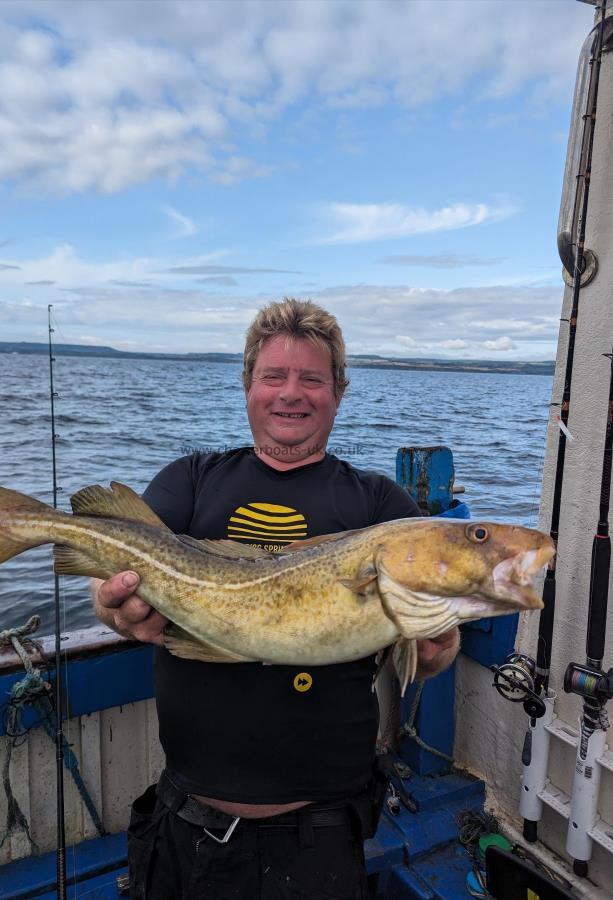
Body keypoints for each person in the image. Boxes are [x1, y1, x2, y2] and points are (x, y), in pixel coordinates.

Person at [92, 298, 460, 899]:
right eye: (274, 376)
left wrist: (439, 641)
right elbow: (113, 574)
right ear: (248, 386)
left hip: (321, 832)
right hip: (188, 820)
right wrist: (112, 605)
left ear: (338, 391)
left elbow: (433, 653)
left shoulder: (381, 509)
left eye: (312, 378)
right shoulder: (191, 480)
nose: (291, 393)